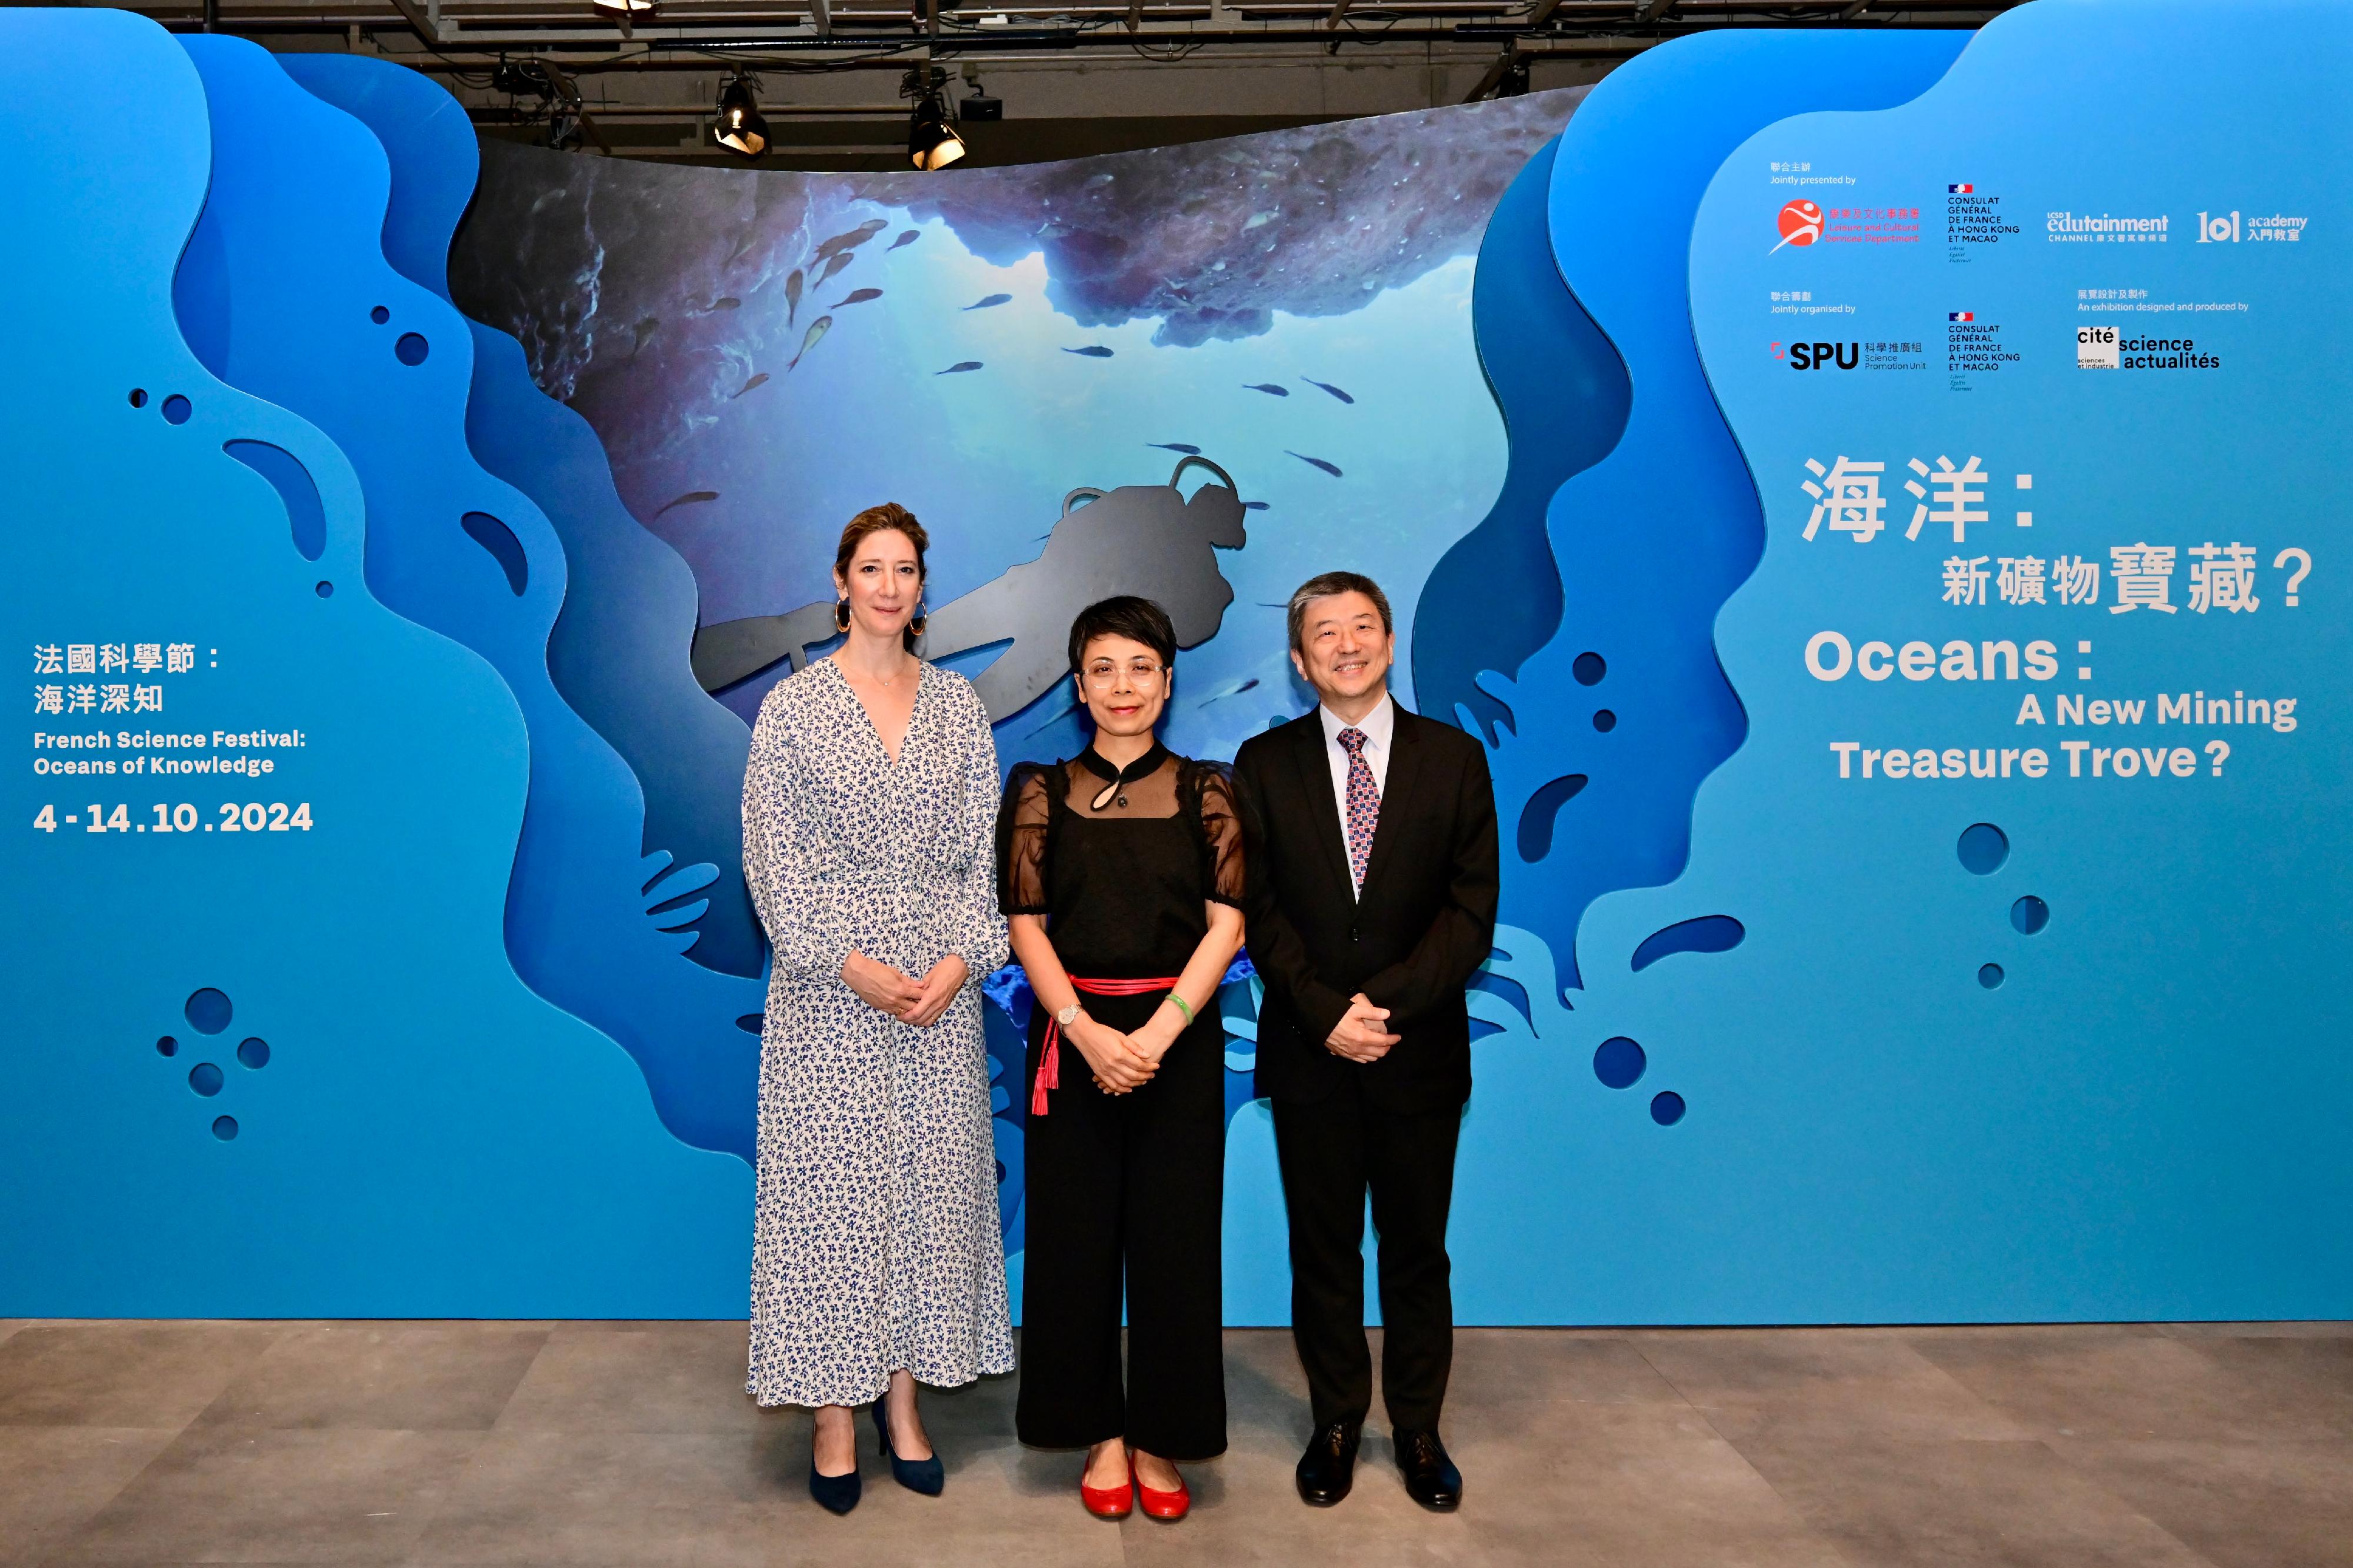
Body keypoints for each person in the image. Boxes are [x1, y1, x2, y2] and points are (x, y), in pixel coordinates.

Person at [739, 503, 1014, 1515]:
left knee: (928, 1198)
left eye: (906, 569)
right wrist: (846, 961)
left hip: (938, 995)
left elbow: (987, 861)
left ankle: (904, 1404)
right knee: (832, 1202)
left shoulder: (956, 708)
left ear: (921, 586)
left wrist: (961, 961)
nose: (890, 585)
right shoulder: (794, 709)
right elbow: (771, 861)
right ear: (842, 581)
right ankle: (830, 1412)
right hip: (830, 994)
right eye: (872, 568)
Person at [1232, 571, 1498, 1513]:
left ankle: (1419, 1429)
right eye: (1324, 634)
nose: (1346, 645)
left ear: (1388, 643)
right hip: (1312, 1052)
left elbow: (1471, 914)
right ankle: (1338, 1419)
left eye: (1362, 628)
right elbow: (1255, 912)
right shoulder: (1261, 766)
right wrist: (1324, 1013)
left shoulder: (1455, 759)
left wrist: (1379, 1008)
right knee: (1324, 1249)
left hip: (1417, 1050)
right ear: (1301, 661)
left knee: (1418, 1251)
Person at [998, 596, 1245, 1522]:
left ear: (1169, 680)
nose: (1123, 686)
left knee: (1176, 1245)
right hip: (1071, 1036)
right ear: (1078, 684)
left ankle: (1160, 1436)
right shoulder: (1038, 790)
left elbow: (1228, 925)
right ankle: (1099, 1432)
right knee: (1075, 1242)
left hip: (1174, 1043)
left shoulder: (1209, 789)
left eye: (1141, 666)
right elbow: (1024, 923)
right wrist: (1086, 1028)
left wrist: (1159, 1030)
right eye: (1103, 668)